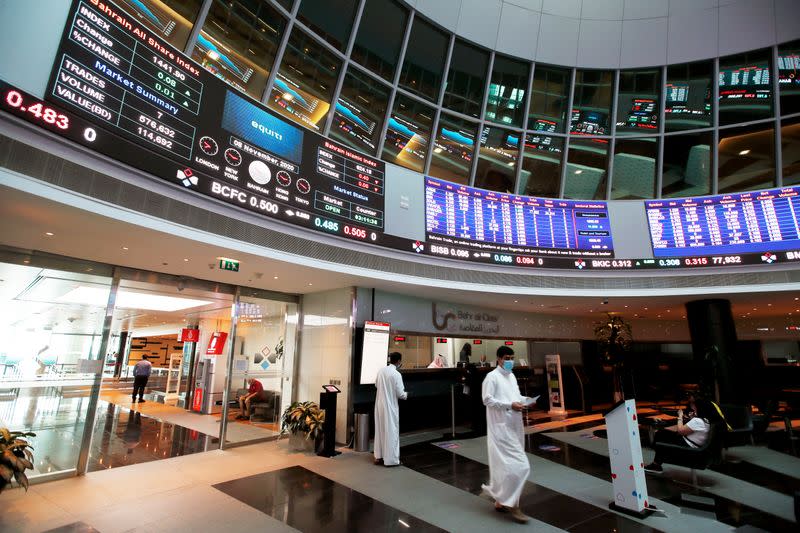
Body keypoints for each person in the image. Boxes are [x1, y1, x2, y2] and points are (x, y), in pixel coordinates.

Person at [481, 346, 532, 524]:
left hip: (514, 425)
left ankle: (500, 500)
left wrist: (526, 401)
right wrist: (510, 405)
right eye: (507, 358)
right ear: (499, 359)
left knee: (504, 465)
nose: (510, 361)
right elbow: (487, 400)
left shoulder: (511, 376)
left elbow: (515, 396)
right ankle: (513, 504)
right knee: (521, 466)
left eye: (512, 357)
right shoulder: (491, 377)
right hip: (500, 428)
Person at [644, 393, 713, 473]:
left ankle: (656, 464)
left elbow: (680, 431)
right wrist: (692, 418)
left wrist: (680, 416)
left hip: (689, 448)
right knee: (663, 433)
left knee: (662, 437)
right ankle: (656, 461)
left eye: (694, 407)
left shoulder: (698, 421)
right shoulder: (706, 420)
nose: (693, 409)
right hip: (692, 444)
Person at [374, 352, 407, 467]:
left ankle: (379, 457)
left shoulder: (381, 371)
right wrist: (406, 395)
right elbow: (401, 394)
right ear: (398, 361)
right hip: (390, 407)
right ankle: (392, 460)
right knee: (391, 432)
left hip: (379, 405)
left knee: (380, 430)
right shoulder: (396, 374)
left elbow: (377, 385)